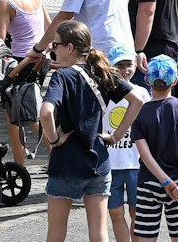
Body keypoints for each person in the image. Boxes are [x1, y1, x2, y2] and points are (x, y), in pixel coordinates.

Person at [43, 20, 142, 242]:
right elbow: (136, 101)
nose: (52, 49)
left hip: (66, 162)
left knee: (56, 233)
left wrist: (54, 138)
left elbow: (46, 112)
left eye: (55, 45)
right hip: (99, 161)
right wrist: (115, 136)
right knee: (99, 233)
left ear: (69, 48)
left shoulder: (62, 76)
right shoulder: (103, 72)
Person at [132, 54, 178, 242]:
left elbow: (144, 154)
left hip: (148, 182)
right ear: (175, 80)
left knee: (146, 236)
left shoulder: (139, 112)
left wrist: (164, 181)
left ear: (146, 81)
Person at [0, 0, 51, 165]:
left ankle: (25, 163)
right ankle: (27, 162)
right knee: (28, 109)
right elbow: (48, 26)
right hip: (41, 58)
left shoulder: (5, 3)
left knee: (17, 116)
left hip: (21, 61)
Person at [106, 44, 152, 242]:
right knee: (116, 214)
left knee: (137, 213)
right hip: (110, 164)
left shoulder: (142, 93)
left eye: (129, 65)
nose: (125, 70)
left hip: (136, 164)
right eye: (120, 65)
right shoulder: (104, 91)